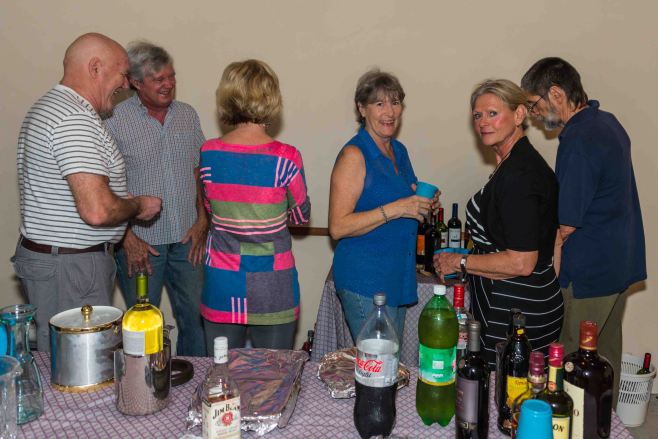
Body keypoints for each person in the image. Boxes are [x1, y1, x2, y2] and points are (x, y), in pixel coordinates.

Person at [12, 33, 162, 351]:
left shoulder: (54, 108)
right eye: (122, 74)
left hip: (65, 264)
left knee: (67, 359)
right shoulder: (73, 119)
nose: (126, 84)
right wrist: (138, 205)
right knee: (80, 363)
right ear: (95, 68)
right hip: (72, 269)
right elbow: (97, 210)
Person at [521, 57, 646, 405]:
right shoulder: (607, 122)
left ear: (556, 93)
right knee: (605, 359)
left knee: (571, 363)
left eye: (534, 104)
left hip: (589, 272)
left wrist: (546, 273)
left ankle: (568, 425)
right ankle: (604, 425)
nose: (533, 114)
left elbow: (566, 224)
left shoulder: (578, 139)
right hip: (618, 265)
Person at [435, 79, 563, 368]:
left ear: (519, 115)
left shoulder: (519, 174)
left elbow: (522, 262)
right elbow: (554, 240)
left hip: (513, 310)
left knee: (503, 389)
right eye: (477, 115)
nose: (483, 122)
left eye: (492, 113)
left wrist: (460, 262)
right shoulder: (517, 163)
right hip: (529, 301)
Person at [199, 59, 311, 351]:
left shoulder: (209, 153)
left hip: (223, 281)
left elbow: (211, 211)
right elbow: (301, 217)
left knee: (222, 373)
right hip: (273, 283)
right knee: (274, 374)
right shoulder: (286, 158)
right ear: (270, 98)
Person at [105, 41, 207, 356]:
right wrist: (126, 237)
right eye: (158, 79)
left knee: (197, 320)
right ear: (136, 83)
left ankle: (196, 380)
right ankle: (146, 382)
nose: (168, 84)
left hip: (188, 240)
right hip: (141, 245)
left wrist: (203, 220)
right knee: (143, 325)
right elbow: (104, 185)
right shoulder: (114, 119)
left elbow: (199, 172)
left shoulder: (187, 115)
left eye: (171, 76)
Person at [329, 69, 435, 343]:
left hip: (396, 277)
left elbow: (407, 201)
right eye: (379, 103)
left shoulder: (399, 150)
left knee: (389, 360)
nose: (390, 112)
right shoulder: (354, 155)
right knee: (378, 361)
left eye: (395, 102)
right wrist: (398, 208)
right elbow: (338, 227)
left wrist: (422, 204)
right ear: (362, 109)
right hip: (365, 279)